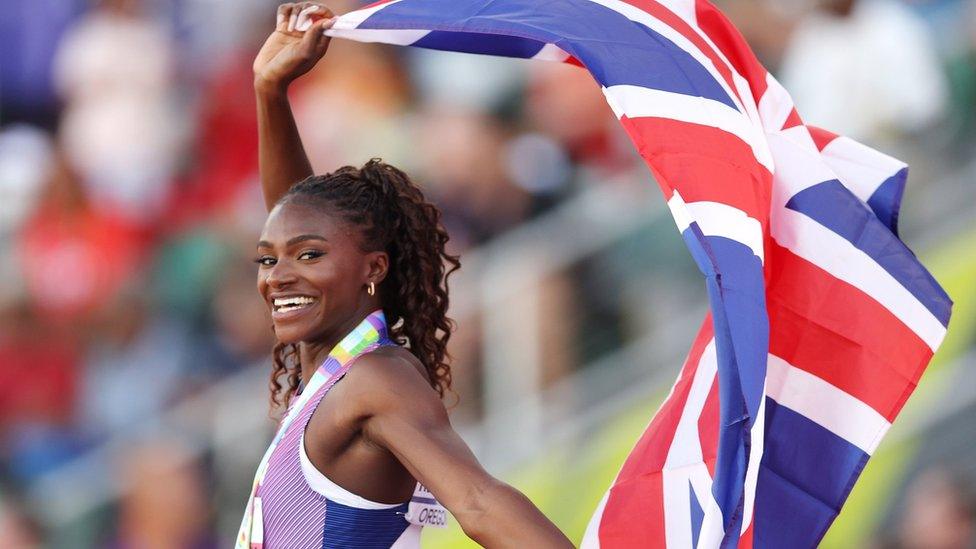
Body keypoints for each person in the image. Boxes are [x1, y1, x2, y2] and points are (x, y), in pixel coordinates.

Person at [238, 3, 574, 548]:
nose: (278, 277)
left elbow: (478, 501)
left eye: (307, 257)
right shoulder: (330, 380)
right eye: (268, 259)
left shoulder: (373, 378)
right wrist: (270, 93)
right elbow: (298, 217)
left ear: (373, 268)